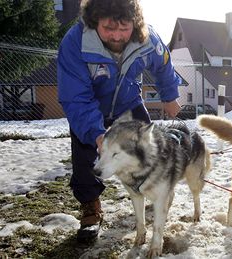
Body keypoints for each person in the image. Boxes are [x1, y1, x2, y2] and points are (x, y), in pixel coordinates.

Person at [57, 0, 181, 243]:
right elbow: (76, 98)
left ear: (134, 24)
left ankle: (151, 190)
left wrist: (169, 96)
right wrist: (97, 133)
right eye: (108, 28)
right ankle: (91, 209)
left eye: (123, 28)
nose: (116, 35)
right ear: (94, 22)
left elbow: (164, 65)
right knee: (86, 156)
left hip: (128, 102)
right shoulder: (75, 43)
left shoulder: (148, 39)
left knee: (150, 147)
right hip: (92, 105)